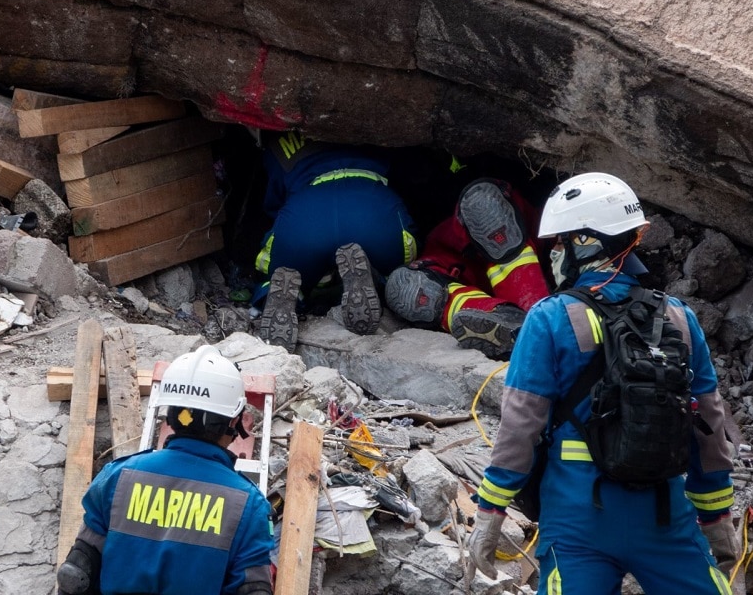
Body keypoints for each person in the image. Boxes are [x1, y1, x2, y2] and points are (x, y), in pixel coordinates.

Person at [466, 172, 740, 595]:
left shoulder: (549, 318)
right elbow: (708, 425)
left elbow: (520, 426)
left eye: (560, 241)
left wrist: (490, 511)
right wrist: (718, 518)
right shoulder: (678, 318)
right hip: (665, 516)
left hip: (579, 521)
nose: (554, 252)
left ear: (585, 243)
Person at [57, 346, 275, 595]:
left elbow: (75, 575)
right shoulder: (249, 505)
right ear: (234, 421)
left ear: (170, 415)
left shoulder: (116, 478)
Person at [252, 129, 417, 350]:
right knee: (404, 260)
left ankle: (278, 293)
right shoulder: (378, 124)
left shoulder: (277, 139)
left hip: (306, 216)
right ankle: (378, 281)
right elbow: (413, 177)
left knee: (273, 264)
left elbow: (273, 203)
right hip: (371, 209)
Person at [383, 178, 551, 360]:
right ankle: (511, 324)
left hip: (527, 238)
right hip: (461, 256)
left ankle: (534, 324)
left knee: (485, 208)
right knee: (407, 290)